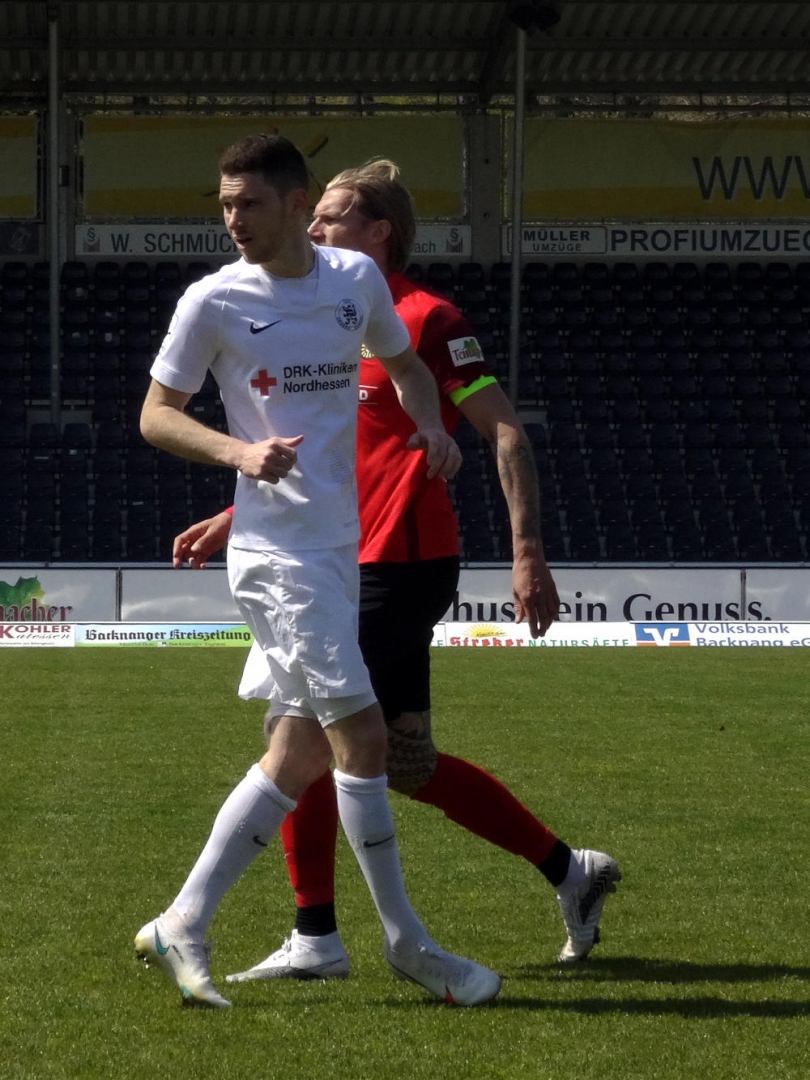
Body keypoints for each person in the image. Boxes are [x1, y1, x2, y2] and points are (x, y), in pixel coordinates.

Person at [172, 158, 621, 986]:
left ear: (379, 231)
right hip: (336, 549)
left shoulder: (425, 317)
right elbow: (337, 450)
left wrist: (527, 550)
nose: (315, 227)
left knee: (313, 738)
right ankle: (567, 871)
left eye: (333, 216)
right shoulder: (319, 310)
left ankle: (315, 933)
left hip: (399, 561)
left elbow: (504, 431)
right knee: (389, 758)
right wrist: (239, 512)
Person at [134, 133, 503, 1009]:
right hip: (277, 558)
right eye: (225, 205)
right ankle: (409, 945)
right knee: (364, 738)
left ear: (298, 205)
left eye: (249, 203)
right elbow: (155, 414)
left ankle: (183, 921)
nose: (233, 220)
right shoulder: (213, 299)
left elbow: (406, 366)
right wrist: (239, 453)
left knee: (296, 749)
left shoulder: (354, 281)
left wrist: (431, 424)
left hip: (340, 546)